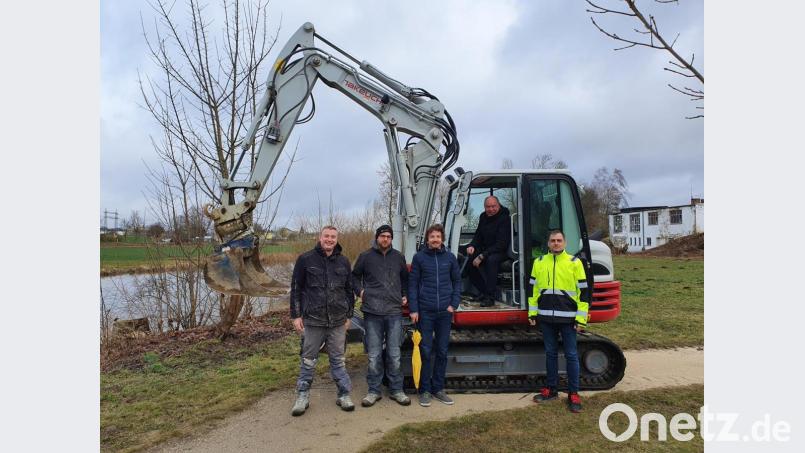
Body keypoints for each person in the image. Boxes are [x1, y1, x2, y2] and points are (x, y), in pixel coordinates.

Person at [290, 225, 356, 416]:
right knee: (308, 359)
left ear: (337, 239)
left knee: (338, 359)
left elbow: (349, 290)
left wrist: (349, 315)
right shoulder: (305, 259)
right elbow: (296, 288)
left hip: (337, 321)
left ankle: (344, 394)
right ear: (320, 237)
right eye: (326, 236)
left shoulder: (343, 261)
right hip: (313, 320)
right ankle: (302, 396)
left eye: (333, 237)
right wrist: (296, 315)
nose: (329, 239)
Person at [527, 230, 590, 413]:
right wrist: (532, 313)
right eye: (553, 240)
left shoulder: (574, 263)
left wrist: (581, 319)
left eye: (559, 240)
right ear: (548, 243)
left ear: (564, 243)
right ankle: (551, 389)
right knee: (550, 354)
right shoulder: (539, 262)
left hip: (569, 318)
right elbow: (533, 291)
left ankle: (573, 394)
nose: (556, 243)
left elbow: (583, 293)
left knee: (571, 355)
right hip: (546, 317)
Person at [351, 225, 412, 407]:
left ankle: (396, 390)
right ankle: (373, 391)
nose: (385, 239)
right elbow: (354, 277)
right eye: (382, 236)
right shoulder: (365, 256)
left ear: (391, 239)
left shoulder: (398, 257)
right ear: (377, 237)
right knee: (374, 355)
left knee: (394, 354)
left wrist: (405, 294)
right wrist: (360, 292)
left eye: (388, 236)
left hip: (394, 312)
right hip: (372, 312)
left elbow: (405, 279)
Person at [408, 224, 461, 407]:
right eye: (432, 237)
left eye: (438, 236)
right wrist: (414, 309)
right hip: (425, 312)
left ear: (442, 239)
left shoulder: (450, 258)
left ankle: (438, 389)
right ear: (427, 239)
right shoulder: (419, 258)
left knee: (442, 351)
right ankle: (424, 390)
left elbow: (457, 282)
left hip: (445, 313)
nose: (435, 239)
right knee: (425, 351)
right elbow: (413, 285)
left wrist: (453, 304)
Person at [465, 195, 511, 307]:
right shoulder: (483, 217)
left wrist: (482, 256)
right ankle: (483, 291)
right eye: (488, 207)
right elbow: (478, 235)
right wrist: (472, 246)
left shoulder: (505, 219)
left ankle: (490, 297)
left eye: (493, 206)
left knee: (491, 260)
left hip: (501, 251)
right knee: (470, 261)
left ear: (498, 205)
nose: (490, 209)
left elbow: (501, 244)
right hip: (487, 250)